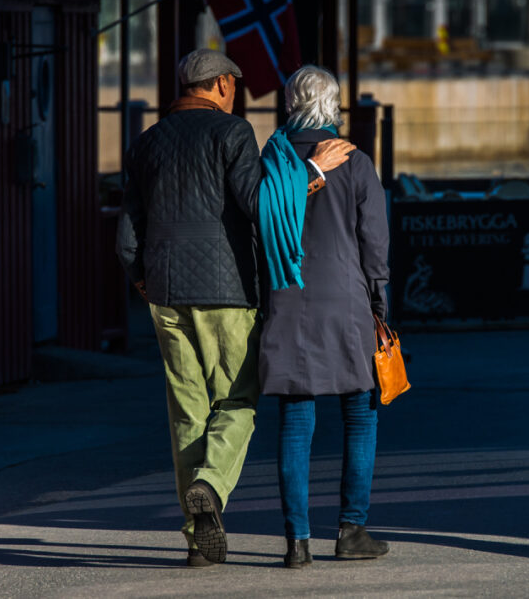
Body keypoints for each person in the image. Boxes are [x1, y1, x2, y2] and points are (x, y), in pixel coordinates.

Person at [116, 49, 355, 567]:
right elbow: (258, 202)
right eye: (234, 85)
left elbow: (127, 231)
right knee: (238, 402)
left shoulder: (144, 143)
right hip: (226, 291)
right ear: (221, 84)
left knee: (187, 414)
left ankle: (196, 537)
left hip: (164, 291)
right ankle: (210, 485)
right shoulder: (233, 133)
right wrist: (313, 170)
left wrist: (140, 278)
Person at [258, 65, 391, 569]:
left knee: (295, 420)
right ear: (333, 104)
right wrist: (381, 304)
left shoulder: (271, 156)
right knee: (360, 415)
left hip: (286, 299)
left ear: (290, 101)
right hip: (348, 302)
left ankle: (297, 541)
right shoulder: (354, 162)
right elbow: (374, 243)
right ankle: (352, 529)